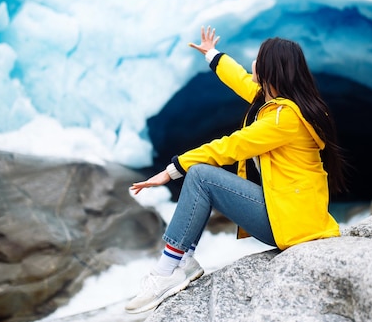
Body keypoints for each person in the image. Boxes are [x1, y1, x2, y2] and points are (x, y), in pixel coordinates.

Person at [124, 26, 345, 314]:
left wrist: (172, 170)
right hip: (299, 215)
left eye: (258, 59)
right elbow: (242, 81)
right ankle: (184, 260)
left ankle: (167, 271)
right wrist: (213, 56)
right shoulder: (292, 107)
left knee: (201, 176)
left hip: (292, 224)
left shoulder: (284, 118)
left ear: (270, 70)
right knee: (202, 176)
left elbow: (232, 146)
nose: (253, 63)